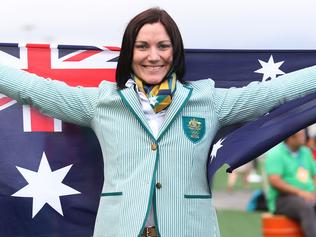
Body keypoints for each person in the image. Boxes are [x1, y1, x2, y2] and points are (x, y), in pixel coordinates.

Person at [1, 7, 316, 237]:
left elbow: (275, 91)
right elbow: (35, 90)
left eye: (162, 46)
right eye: (142, 46)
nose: (153, 56)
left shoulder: (208, 100)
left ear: (174, 50)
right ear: (130, 52)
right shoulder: (102, 102)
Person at [265, 130, 316, 237]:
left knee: (307, 204)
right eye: (301, 134)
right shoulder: (276, 154)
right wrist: (300, 193)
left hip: (308, 195)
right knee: (304, 207)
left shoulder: (306, 152)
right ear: (290, 136)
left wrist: (314, 192)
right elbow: (275, 181)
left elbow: (314, 175)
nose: (304, 137)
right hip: (283, 198)